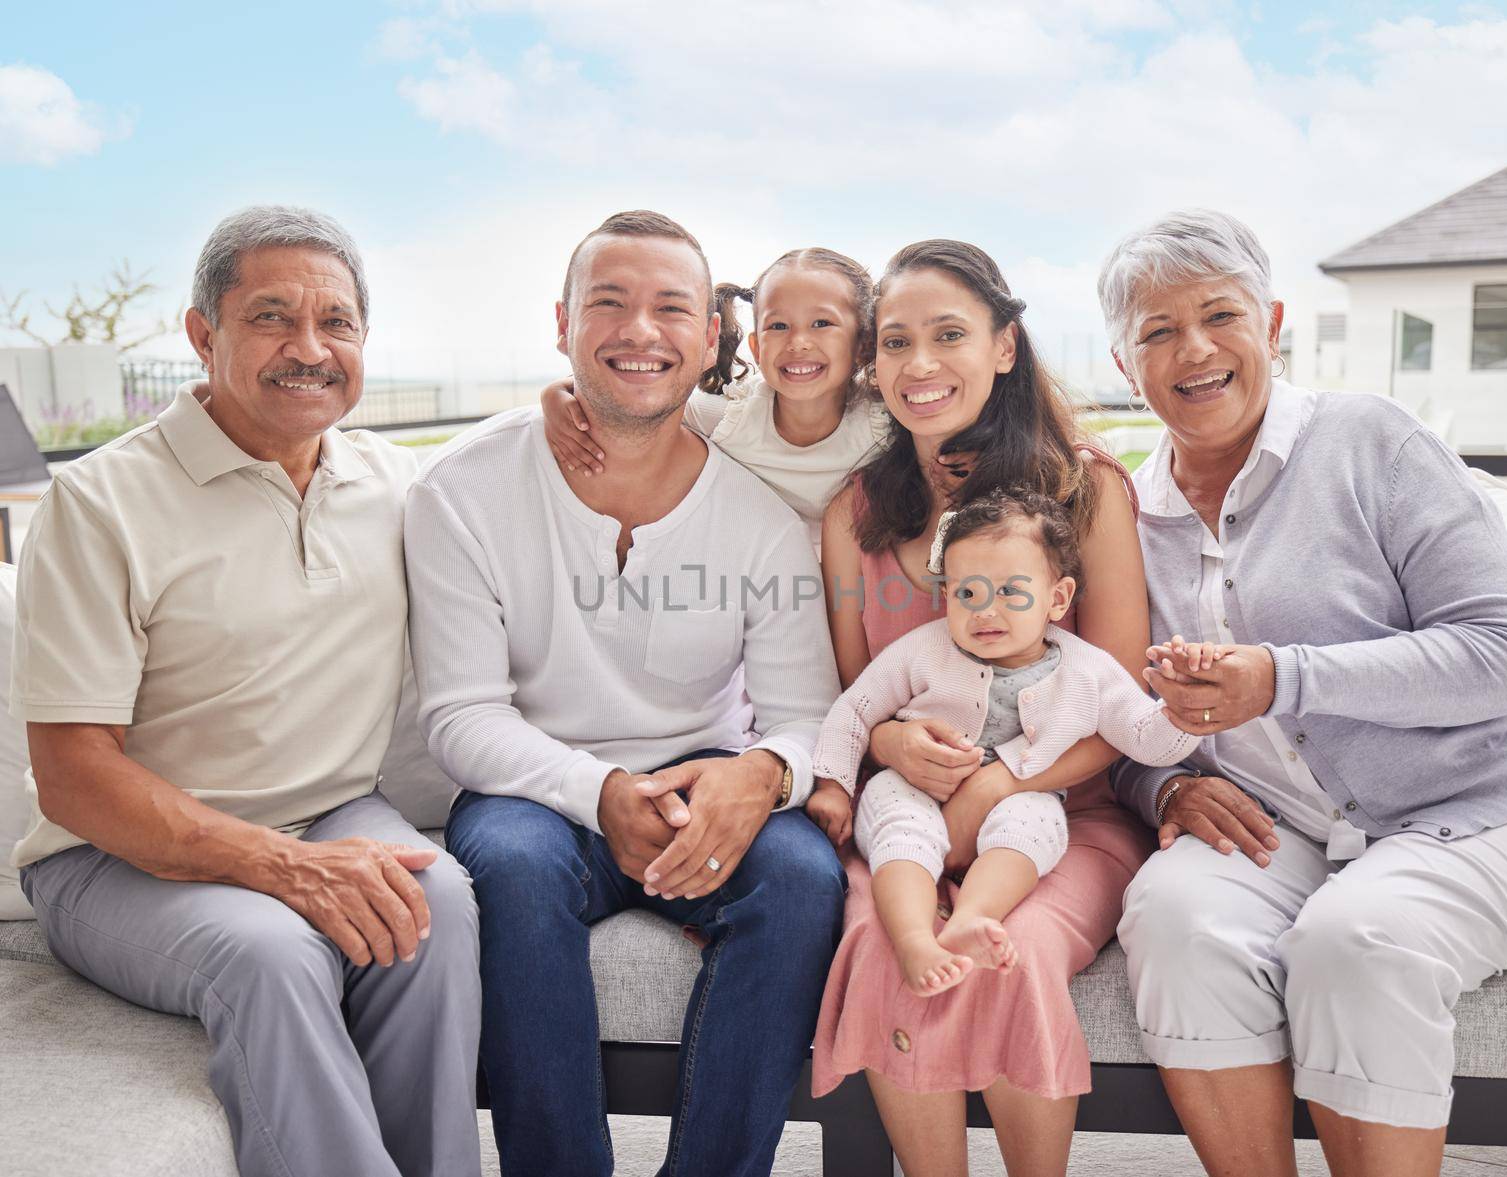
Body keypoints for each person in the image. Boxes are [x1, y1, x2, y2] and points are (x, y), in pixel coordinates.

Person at [1101, 208, 1507, 1177]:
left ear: (1272, 323)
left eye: (1219, 315)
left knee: (1354, 937)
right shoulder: (1122, 515)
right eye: (1156, 331)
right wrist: (1158, 788)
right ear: (1124, 365)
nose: (1193, 349)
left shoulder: (1373, 440)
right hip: (1279, 828)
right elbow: (1100, 706)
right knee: (1172, 920)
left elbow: (1505, 654)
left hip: (1484, 810)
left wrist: (1282, 677)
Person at [12, 206, 482, 1177]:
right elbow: (71, 778)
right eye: (273, 318)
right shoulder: (98, 502)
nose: (309, 349)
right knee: (270, 953)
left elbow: (549, 484)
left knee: (439, 907)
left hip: (333, 809)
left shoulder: (402, 488)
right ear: (203, 334)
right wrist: (281, 866)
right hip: (113, 858)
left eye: (337, 323)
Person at [404, 210, 847, 1177]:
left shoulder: (762, 510)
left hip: (706, 778)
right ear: (561, 324)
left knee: (805, 878)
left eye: (670, 308)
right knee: (512, 873)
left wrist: (765, 773)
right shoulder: (461, 491)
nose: (639, 331)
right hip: (534, 790)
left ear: (712, 338)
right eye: (608, 303)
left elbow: (805, 710)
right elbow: (461, 715)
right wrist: (597, 792)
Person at [810, 239, 1155, 1177]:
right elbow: (856, 698)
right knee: (889, 946)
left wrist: (999, 780)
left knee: (1017, 952)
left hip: (1067, 815)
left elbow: (1118, 708)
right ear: (872, 367)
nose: (919, 365)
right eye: (894, 343)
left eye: (949, 335)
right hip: (904, 817)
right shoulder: (855, 512)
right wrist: (888, 740)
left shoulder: (1085, 492)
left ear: (1005, 345)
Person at [808, 488, 1196, 997]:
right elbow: (855, 709)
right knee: (900, 827)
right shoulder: (923, 651)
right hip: (911, 787)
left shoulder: (1088, 671)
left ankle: (973, 916)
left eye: (1012, 592)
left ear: (1058, 599)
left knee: (1033, 824)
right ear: (946, 597)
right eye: (968, 594)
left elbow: (1147, 738)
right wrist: (833, 785)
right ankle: (912, 939)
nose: (986, 611)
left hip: (1017, 795)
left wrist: (1186, 710)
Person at [541, 246, 891, 549]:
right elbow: (639, 400)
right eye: (778, 326)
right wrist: (557, 393)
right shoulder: (729, 418)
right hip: (764, 583)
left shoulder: (883, 425)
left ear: (863, 344)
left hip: (861, 588)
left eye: (821, 324)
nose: (798, 342)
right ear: (755, 347)